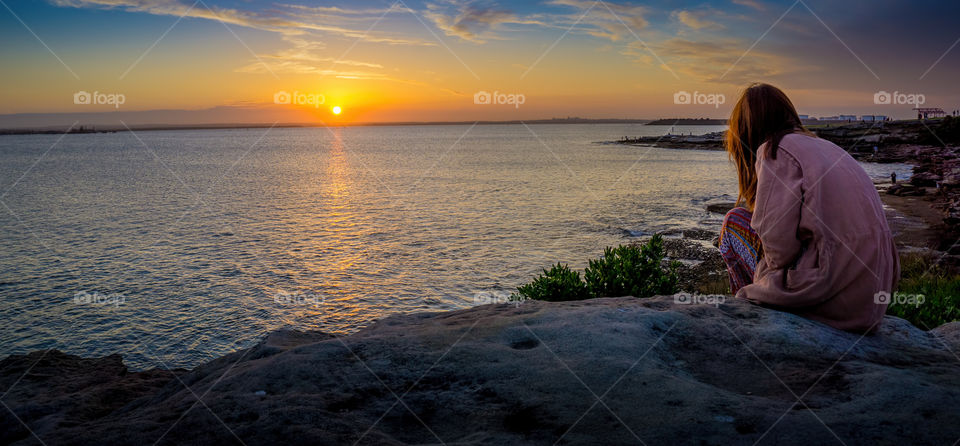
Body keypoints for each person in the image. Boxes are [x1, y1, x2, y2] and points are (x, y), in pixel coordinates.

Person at [717, 83, 899, 333]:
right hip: (871, 303)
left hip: (828, 296)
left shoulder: (775, 150)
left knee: (734, 221)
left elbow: (779, 251)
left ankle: (747, 318)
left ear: (748, 129)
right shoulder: (828, 148)